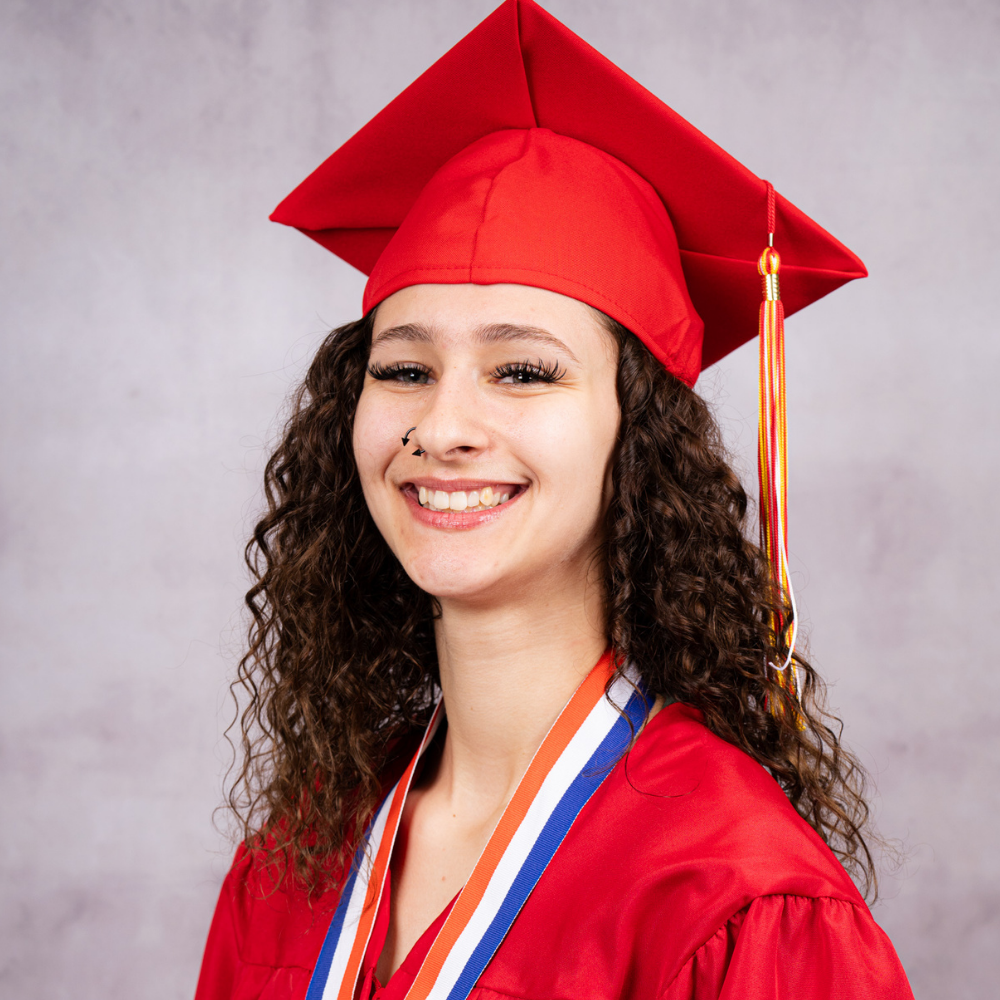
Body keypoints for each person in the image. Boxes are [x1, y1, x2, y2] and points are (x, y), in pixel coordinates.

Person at [195, 2, 914, 998]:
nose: (441, 427)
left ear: (638, 436)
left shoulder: (736, 897)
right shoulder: (294, 863)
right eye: (403, 370)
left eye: (523, 372)